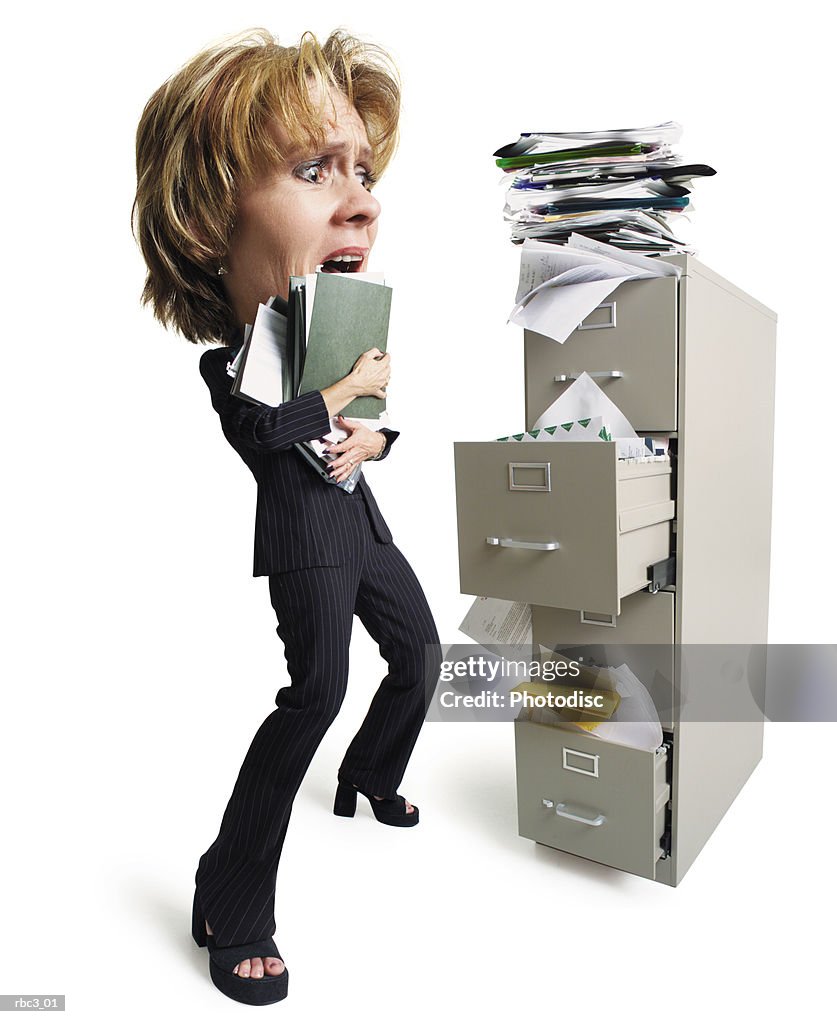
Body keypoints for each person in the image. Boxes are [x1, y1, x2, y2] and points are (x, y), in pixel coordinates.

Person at [132, 27, 441, 1006]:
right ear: (211, 219)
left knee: (423, 655)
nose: (364, 197)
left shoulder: (341, 328)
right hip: (308, 545)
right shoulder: (232, 365)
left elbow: (377, 428)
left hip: (365, 526)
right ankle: (230, 894)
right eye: (314, 169)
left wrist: (375, 437)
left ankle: (369, 778)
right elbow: (269, 436)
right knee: (314, 693)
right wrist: (348, 389)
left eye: (361, 169)